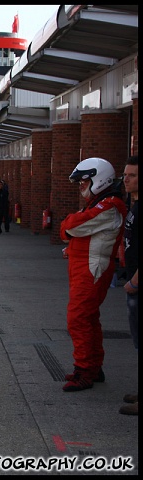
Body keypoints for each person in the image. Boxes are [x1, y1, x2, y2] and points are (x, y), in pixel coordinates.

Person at [60, 157, 127, 392]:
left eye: (83, 181)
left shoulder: (108, 205)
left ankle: (84, 371)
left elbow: (71, 226)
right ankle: (93, 367)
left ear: (98, 179)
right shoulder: (102, 203)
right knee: (88, 319)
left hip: (92, 269)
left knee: (78, 319)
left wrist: (69, 224)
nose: (80, 186)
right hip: (86, 267)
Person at [120, 155, 138, 415]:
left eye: (132, 175)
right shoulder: (133, 204)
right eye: (125, 174)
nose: (126, 179)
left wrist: (134, 282)